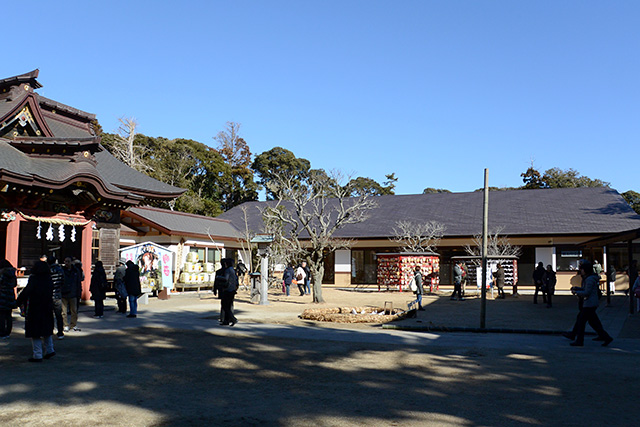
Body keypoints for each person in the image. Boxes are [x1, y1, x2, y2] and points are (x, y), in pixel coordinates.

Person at [565, 260, 613, 347]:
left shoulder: (589, 279)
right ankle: (605, 336)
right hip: (590, 303)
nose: (581, 271)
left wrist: (577, 292)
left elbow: (587, 292)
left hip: (589, 303)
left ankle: (580, 340)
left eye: (582, 269)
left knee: (581, 322)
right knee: (593, 322)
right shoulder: (589, 278)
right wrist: (578, 289)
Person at [16, 261, 55, 362]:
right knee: (46, 330)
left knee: (35, 332)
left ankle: (37, 354)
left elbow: (27, 291)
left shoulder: (34, 279)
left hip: (35, 307)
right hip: (47, 307)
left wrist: (18, 301)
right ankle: (50, 350)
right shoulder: (49, 279)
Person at [61, 257, 82, 332]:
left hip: (73, 293)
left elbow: (78, 282)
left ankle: (73, 324)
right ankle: (65, 325)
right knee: (64, 311)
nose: (67, 263)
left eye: (68, 261)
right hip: (64, 293)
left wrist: (79, 292)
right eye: (65, 261)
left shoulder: (76, 271)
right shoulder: (62, 270)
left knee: (74, 310)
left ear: (71, 262)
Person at [48, 257, 65, 339]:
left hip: (48, 295)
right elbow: (63, 281)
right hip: (57, 295)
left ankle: (49, 330)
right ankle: (60, 332)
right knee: (58, 315)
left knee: (49, 315)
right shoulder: (60, 270)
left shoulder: (47, 270)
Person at [0, 259, 17, 339]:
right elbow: (14, 284)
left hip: (2, 296)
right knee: (8, 315)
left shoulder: (2, 274)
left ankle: (2, 332)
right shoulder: (13, 274)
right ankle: (8, 332)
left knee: (2, 315)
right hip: (10, 295)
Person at [220, 258, 238, 326]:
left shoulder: (227, 270)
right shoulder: (233, 270)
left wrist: (219, 277)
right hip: (232, 290)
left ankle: (233, 319)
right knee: (229, 305)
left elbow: (226, 279)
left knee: (225, 305)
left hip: (227, 290)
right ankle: (226, 321)